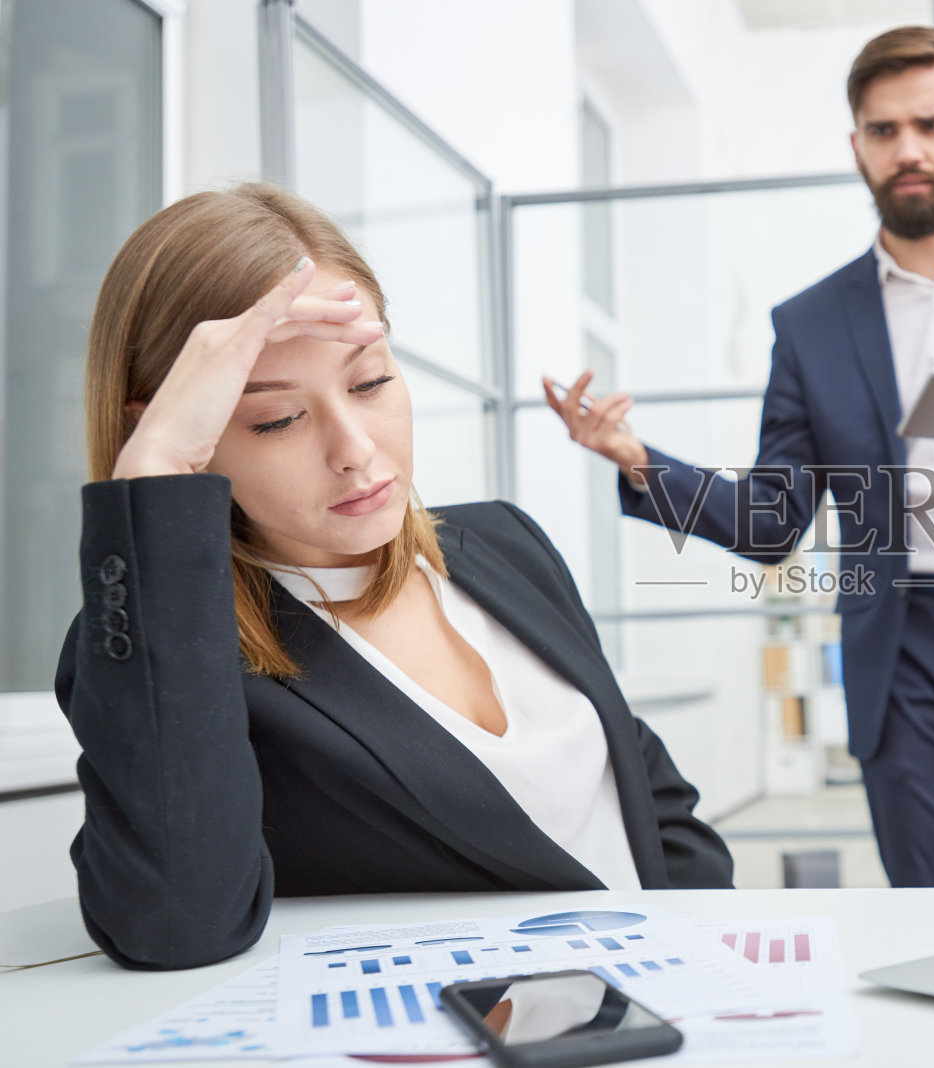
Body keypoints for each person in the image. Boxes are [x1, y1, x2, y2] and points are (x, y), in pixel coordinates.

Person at [545, 26, 934, 889]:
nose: (908, 149)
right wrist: (638, 458)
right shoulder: (811, 325)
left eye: (930, 125)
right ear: (858, 147)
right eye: (884, 131)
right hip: (908, 654)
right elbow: (771, 526)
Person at [58, 183, 732, 972]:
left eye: (370, 380)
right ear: (184, 431)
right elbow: (175, 927)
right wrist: (155, 480)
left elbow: (649, 801)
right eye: (276, 419)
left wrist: (709, 967)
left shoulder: (501, 543)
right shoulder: (168, 648)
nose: (355, 448)